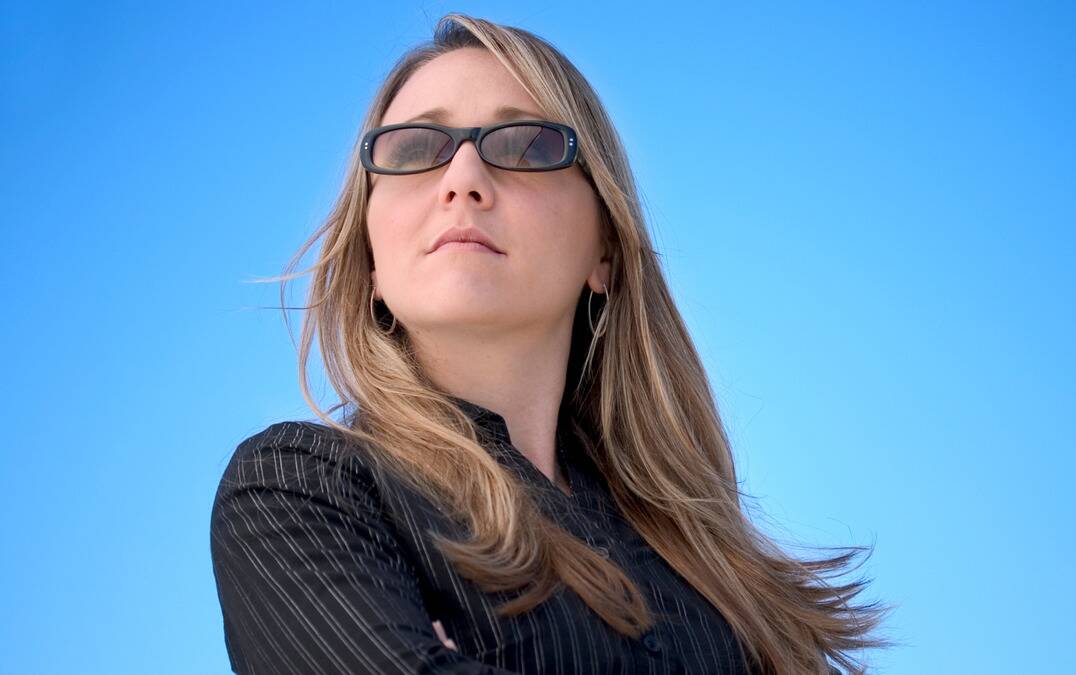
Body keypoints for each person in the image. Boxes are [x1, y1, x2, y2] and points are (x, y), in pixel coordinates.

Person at [209, 13, 893, 675]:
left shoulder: (723, 582)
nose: (463, 179)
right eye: (415, 148)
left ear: (604, 247)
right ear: (370, 261)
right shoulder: (300, 491)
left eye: (527, 145)